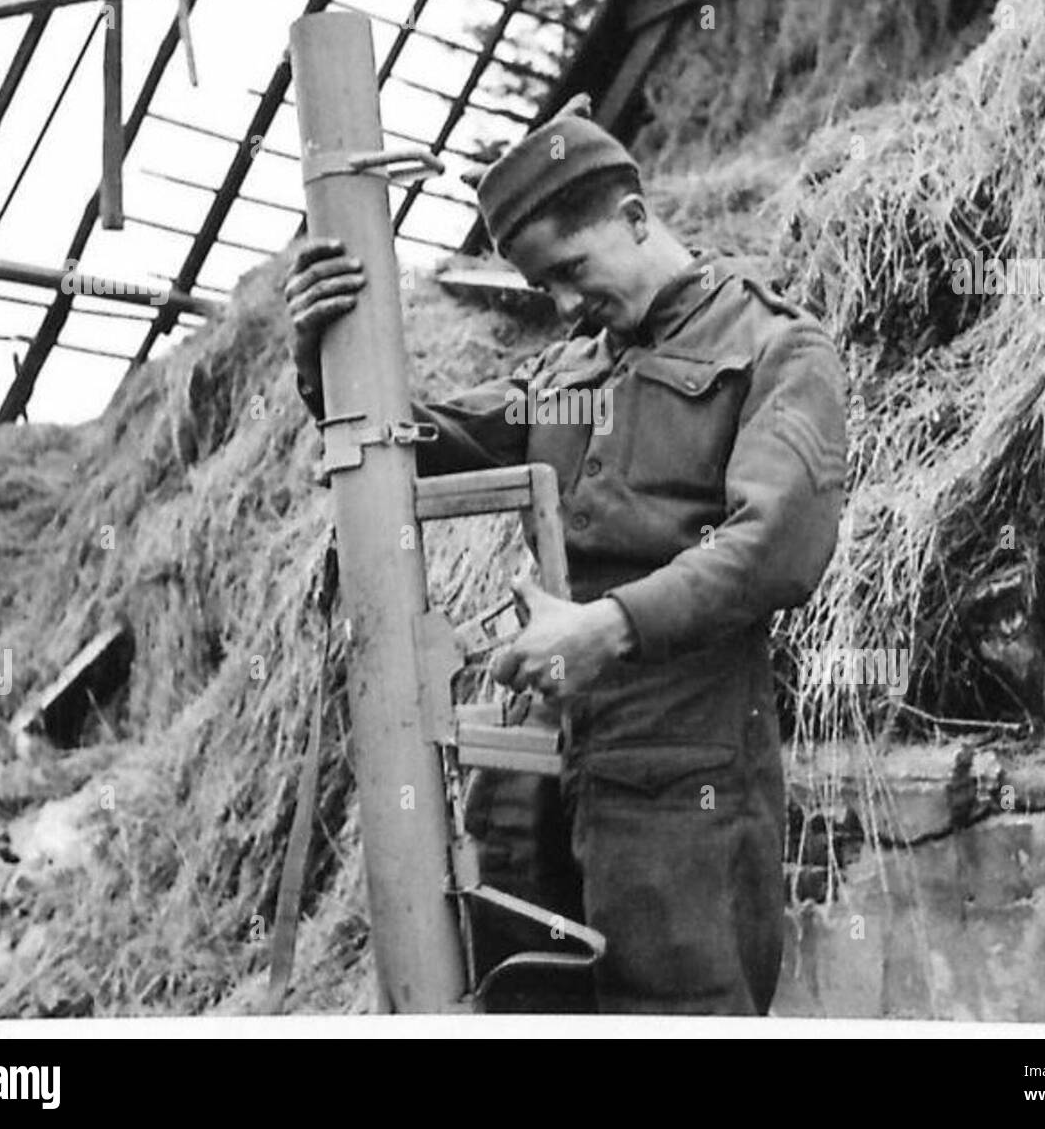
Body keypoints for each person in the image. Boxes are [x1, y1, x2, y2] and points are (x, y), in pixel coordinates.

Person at [285, 94, 848, 1014]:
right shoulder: (572, 370)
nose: (563, 304)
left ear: (633, 219)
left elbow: (776, 544)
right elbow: (412, 434)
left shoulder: (776, 348)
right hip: (529, 772)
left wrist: (611, 627)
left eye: (572, 270)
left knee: (675, 1013)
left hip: (680, 775)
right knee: (522, 999)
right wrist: (324, 354)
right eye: (545, 284)